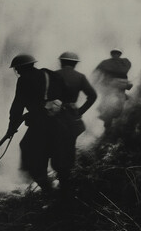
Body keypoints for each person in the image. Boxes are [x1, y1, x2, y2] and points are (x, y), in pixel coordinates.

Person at [6, 54, 66, 193]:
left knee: (27, 147)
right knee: (48, 153)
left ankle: (47, 190)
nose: (17, 71)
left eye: (17, 68)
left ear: (21, 68)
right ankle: (53, 186)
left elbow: (17, 106)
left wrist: (12, 127)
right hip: (58, 120)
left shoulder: (24, 80)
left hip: (40, 122)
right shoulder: (49, 74)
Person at [54, 52, 97, 188]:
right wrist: (80, 111)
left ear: (61, 62)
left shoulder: (52, 75)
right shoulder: (80, 77)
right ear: (75, 63)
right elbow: (93, 96)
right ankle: (67, 179)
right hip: (72, 116)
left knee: (55, 145)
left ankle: (61, 178)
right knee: (69, 146)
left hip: (55, 116)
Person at [93, 48, 132, 129]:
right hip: (118, 86)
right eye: (115, 53)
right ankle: (109, 118)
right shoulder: (125, 62)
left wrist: (95, 82)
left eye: (116, 53)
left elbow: (96, 72)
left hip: (112, 86)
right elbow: (96, 73)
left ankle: (108, 118)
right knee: (109, 100)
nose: (116, 55)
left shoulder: (106, 62)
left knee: (108, 100)